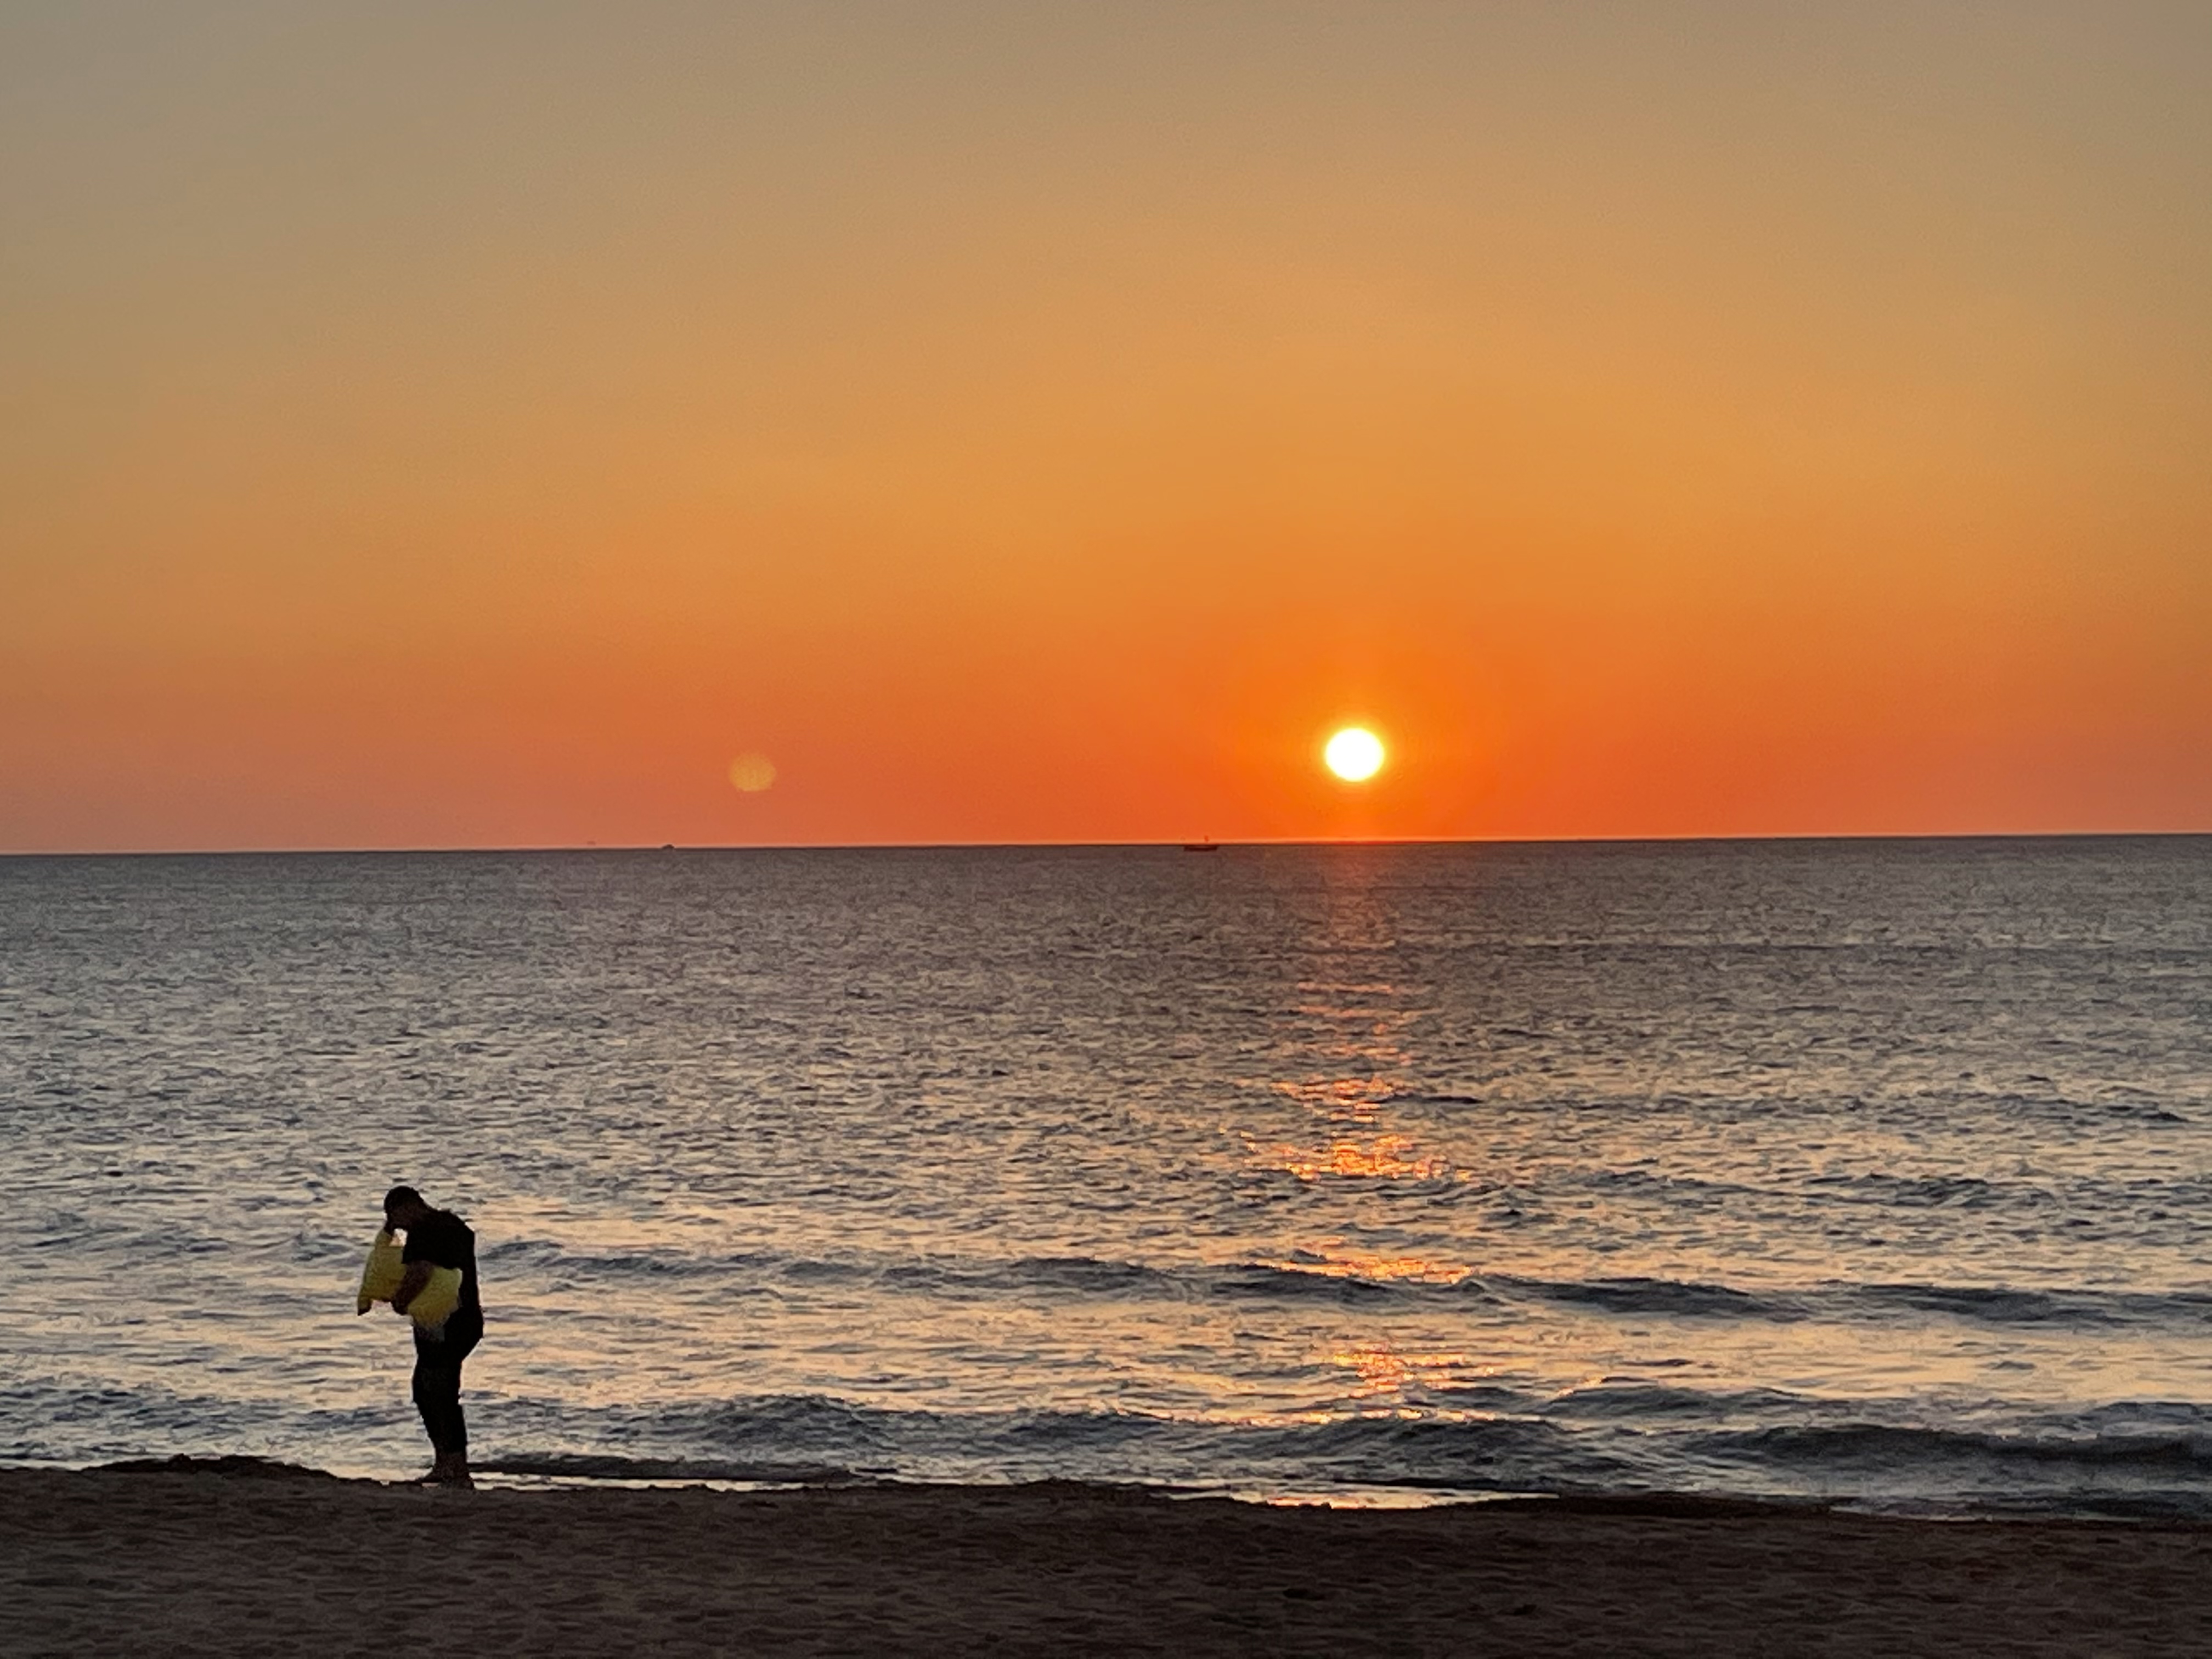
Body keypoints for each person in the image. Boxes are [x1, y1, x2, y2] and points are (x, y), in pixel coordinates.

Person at [381, 1184, 483, 1487]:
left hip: (443, 1325)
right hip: (467, 1320)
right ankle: (450, 1462)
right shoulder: (454, 1225)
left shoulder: (424, 1233)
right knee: (437, 1390)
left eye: (395, 1218)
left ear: (407, 1207)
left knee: (433, 1390)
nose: (397, 1226)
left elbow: (420, 1272)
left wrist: (400, 1301)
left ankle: (452, 1465)